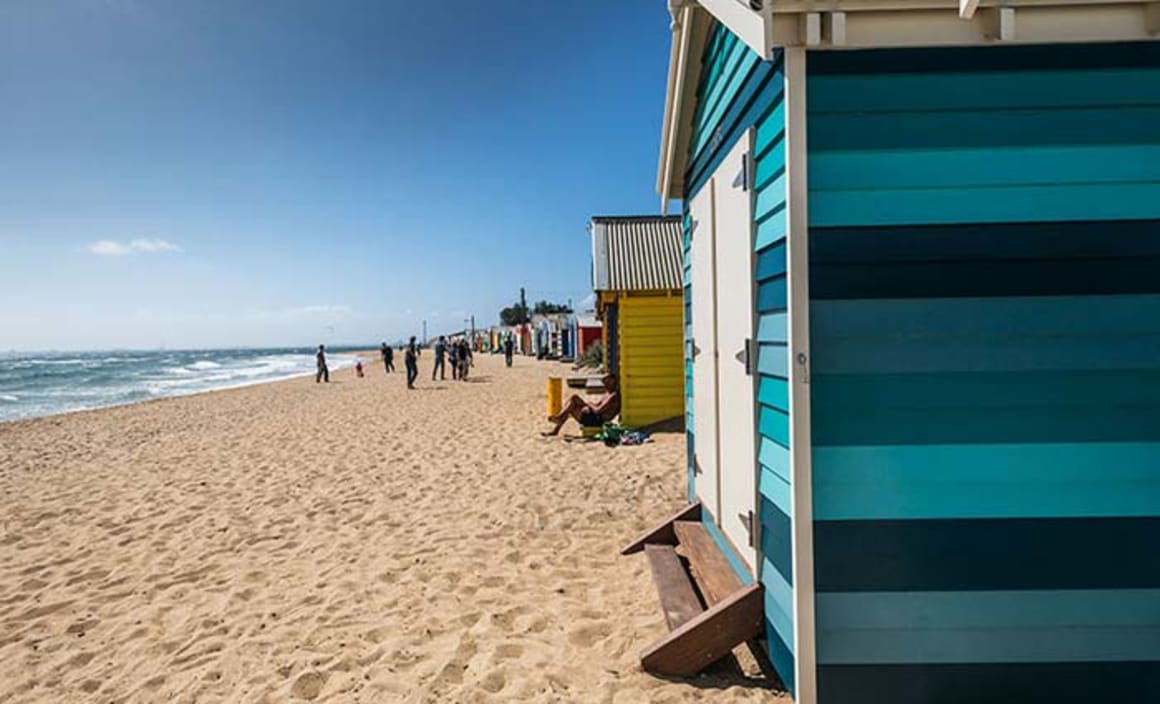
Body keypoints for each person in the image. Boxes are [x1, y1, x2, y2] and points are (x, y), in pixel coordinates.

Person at [542, 374, 619, 436]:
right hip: (594, 416)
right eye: (603, 382)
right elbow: (597, 405)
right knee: (574, 399)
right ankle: (558, 421)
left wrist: (589, 404)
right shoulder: (608, 393)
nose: (604, 385)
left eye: (606, 382)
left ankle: (558, 423)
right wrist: (589, 406)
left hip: (598, 420)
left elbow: (598, 410)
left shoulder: (613, 396)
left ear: (612, 382)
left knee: (572, 406)